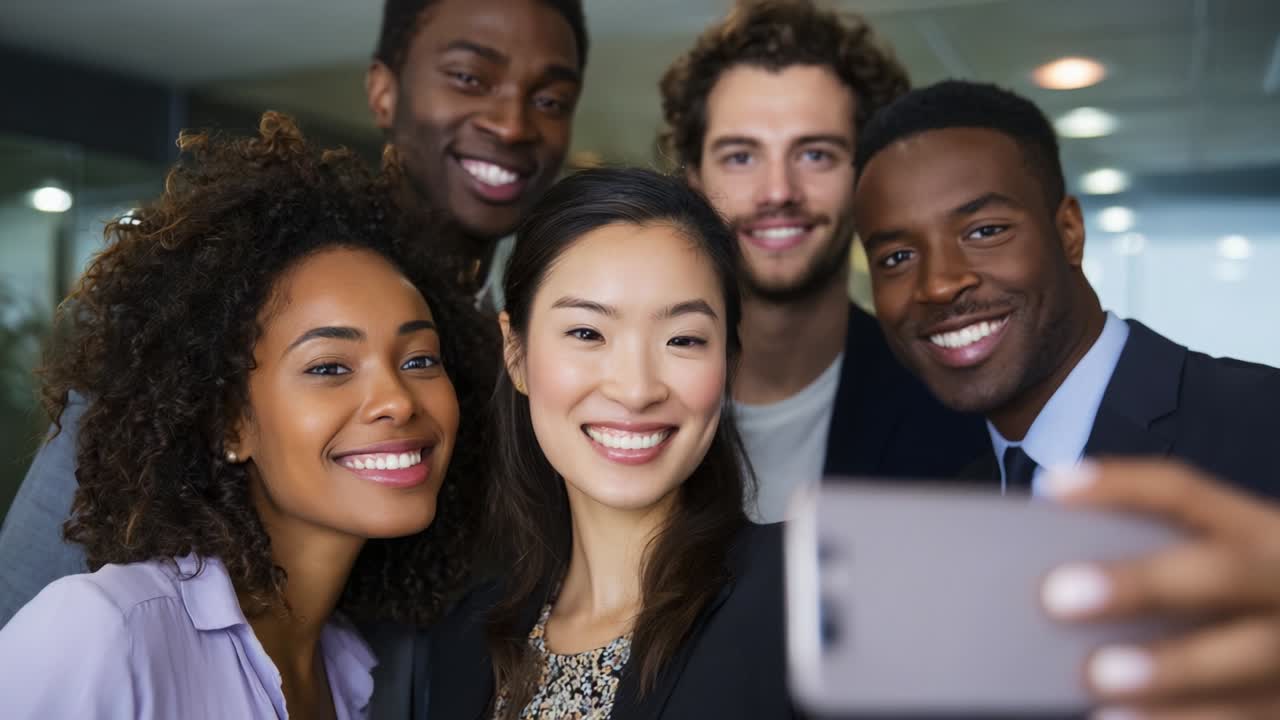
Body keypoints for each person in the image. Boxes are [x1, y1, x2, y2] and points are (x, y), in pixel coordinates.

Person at [0, 0, 588, 626]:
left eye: (551, 100)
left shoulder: (534, 365)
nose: (513, 122)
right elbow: (29, 605)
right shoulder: (204, 308)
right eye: (470, 78)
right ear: (383, 91)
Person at [0, 113, 497, 718]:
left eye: (420, 359)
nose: (397, 399)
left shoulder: (352, 673)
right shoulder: (105, 634)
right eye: (329, 367)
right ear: (229, 420)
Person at [853, 79, 1280, 715]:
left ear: (1070, 232)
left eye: (985, 229)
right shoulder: (952, 510)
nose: (938, 284)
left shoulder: (1262, 421)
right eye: (896, 257)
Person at [424, 168, 796, 719]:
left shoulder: (803, 593)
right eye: (587, 334)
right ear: (516, 352)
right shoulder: (461, 643)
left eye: (683, 339)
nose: (637, 389)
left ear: (729, 363)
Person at [658, 0, 988, 522]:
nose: (778, 191)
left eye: (815, 154)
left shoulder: (952, 408)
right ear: (694, 181)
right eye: (740, 156)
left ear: (868, 179)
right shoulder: (631, 395)